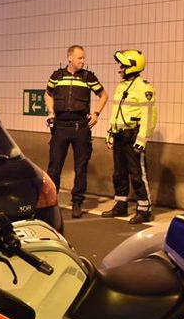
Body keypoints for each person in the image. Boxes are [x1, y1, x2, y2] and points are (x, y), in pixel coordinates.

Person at [44, 45, 108, 218]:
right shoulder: (57, 76)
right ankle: (51, 202)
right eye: (79, 58)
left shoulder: (88, 77)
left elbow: (104, 95)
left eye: (83, 58)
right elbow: (48, 94)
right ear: (70, 57)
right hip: (60, 128)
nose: (82, 61)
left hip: (81, 128)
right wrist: (51, 112)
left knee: (81, 168)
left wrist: (96, 114)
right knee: (54, 167)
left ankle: (77, 202)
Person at [102, 49, 157, 224]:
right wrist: (110, 134)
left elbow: (149, 116)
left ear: (133, 67)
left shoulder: (144, 87)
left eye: (123, 65)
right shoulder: (122, 86)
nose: (120, 68)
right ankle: (121, 204)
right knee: (119, 173)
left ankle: (144, 209)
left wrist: (142, 140)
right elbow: (116, 113)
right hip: (119, 136)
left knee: (137, 174)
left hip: (133, 137)